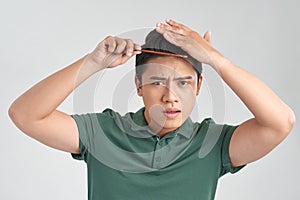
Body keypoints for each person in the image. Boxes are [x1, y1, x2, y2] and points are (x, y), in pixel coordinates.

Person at [8, 19, 295, 200]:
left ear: (197, 86)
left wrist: (216, 59)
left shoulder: (213, 144)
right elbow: (25, 114)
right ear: (138, 86)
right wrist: (92, 63)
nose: (171, 97)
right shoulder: (104, 132)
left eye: (183, 83)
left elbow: (280, 122)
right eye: (158, 81)